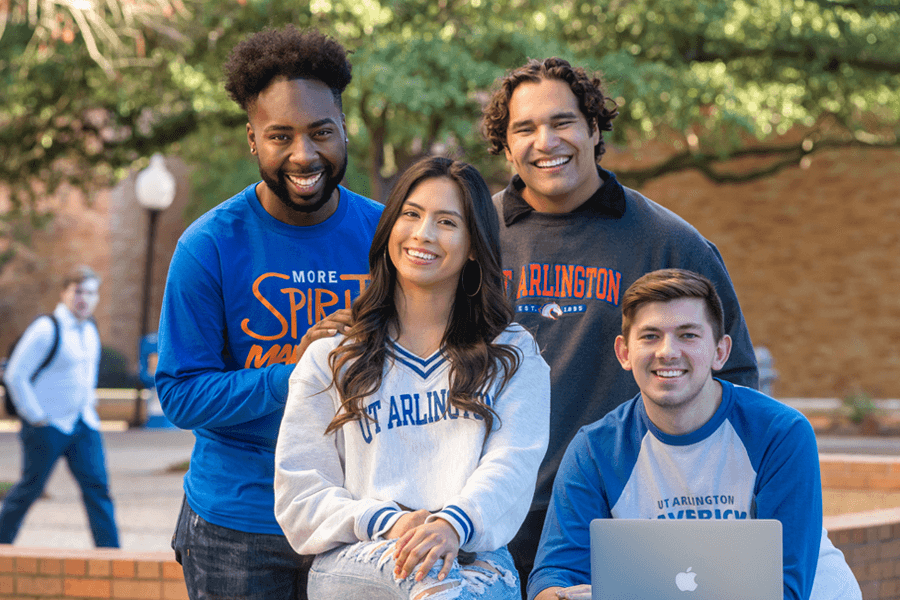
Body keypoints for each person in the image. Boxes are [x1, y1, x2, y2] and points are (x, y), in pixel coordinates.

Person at [480, 57, 760, 588]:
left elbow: (735, 380)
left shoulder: (669, 242)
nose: (546, 141)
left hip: (626, 513)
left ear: (592, 127)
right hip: (492, 516)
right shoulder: (472, 234)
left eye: (562, 122)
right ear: (506, 143)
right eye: (525, 128)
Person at [155, 26, 384, 600]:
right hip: (240, 526)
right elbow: (181, 394)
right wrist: (303, 373)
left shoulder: (388, 234)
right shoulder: (208, 245)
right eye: (280, 135)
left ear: (343, 131)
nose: (304, 155)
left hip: (356, 516)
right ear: (253, 139)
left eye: (321, 132)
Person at [274, 156, 551, 599]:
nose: (423, 234)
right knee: (427, 576)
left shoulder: (512, 354)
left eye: (446, 221)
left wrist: (451, 524)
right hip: (360, 553)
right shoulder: (333, 356)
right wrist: (395, 522)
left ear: (474, 244)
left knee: (452, 584)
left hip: (471, 553)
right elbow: (300, 495)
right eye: (411, 214)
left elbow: (511, 467)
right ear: (390, 228)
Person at [528, 269, 861, 600]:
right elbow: (556, 572)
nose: (668, 351)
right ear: (624, 353)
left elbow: (785, 588)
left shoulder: (780, 434)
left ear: (721, 351)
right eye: (650, 336)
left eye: (688, 335)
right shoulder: (595, 450)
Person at [0, 265, 119, 548]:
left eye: (91, 293)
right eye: (78, 291)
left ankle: (111, 556)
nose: (84, 298)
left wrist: (89, 402)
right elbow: (15, 374)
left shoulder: (90, 329)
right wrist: (35, 416)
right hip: (47, 426)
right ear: (65, 293)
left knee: (98, 490)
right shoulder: (46, 328)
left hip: (83, 425)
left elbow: (86, 374)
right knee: (30, 488)